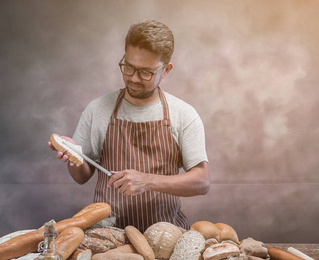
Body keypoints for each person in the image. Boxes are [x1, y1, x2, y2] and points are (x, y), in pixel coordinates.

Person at [49, 20, 210, 232]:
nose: (134, 78)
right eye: (128, 67)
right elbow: (81, 177)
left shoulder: (183, 114)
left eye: (146, 72)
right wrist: (73, 156)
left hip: (165, 236)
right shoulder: (97, 109)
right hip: (107, 234)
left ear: (166, 70)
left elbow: (201, 182)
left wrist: (148, 181)